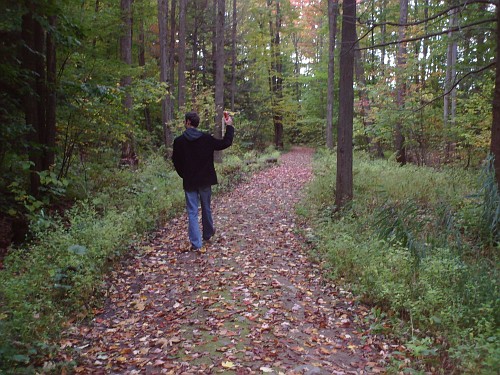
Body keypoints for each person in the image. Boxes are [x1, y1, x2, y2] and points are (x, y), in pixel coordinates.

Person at [172, 111, 234, 251]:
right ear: (196, 123)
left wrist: (184, 175)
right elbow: (225, 142)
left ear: (188, 122)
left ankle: (197, 244)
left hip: (189, 181)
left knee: (192, 211)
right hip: (205, 180)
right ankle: (207, 234)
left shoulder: (179, 141)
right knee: (206, 207)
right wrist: (229, 126)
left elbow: (176, 162)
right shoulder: (206, 139)